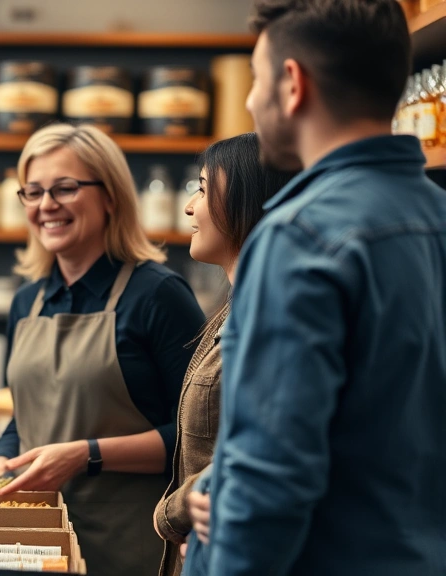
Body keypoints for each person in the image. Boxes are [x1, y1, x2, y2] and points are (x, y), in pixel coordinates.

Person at [182, 1, 446, 574]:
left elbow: (270, 478)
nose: (251, 102)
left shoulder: (300, 236)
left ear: (293, 84)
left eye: (255, 79)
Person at [0, 123, 206, 575]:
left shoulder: (158, 295)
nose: (46, 206)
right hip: (35, 543)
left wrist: (85, 453)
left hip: (133, 541)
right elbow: (26, 415)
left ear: (111, 196)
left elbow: (200, 436)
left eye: (64, 188)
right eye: (33, 192)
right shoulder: (28, 301)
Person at [151, 133, 294, 576]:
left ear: (249, 199)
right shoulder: (237, 304)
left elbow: (260, 449)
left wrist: (172, 516)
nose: (189, 207)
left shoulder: (270, 312)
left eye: (202, 187)